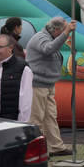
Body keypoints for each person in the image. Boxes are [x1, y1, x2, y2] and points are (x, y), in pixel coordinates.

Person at [26, 16, 76, 156]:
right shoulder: (40, 38)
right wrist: (66, 33)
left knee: (50, 116)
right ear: (55, 30)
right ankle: (37, 151)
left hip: (47, 84)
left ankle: (55, 147)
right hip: (37, 84)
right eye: (62, 31)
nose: (63, 34)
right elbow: (48, 49)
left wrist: (66, 36)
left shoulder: (50, 38)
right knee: (37, 118)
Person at [0, 33, 33, 122]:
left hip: (10, 122)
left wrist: (21, 125)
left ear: (10, 48)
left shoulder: (22, 68)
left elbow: (26, 102)